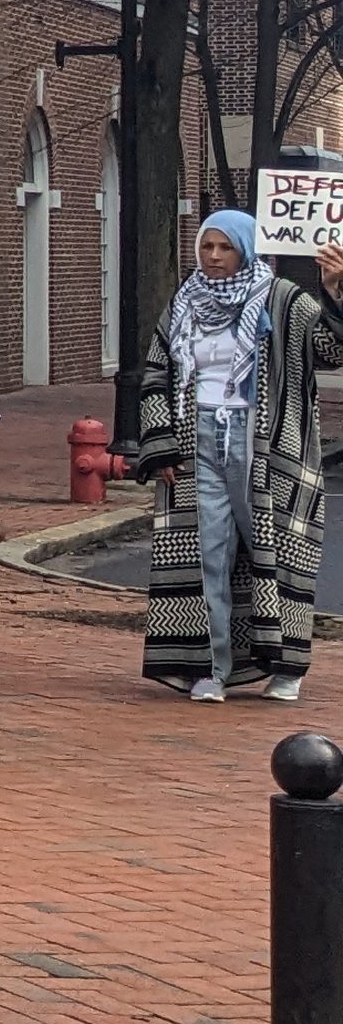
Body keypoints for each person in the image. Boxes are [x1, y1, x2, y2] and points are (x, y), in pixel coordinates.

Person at [131, 211, 343, 700]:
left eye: (225, 248)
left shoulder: (283, 299)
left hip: (266, 445)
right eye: (207, 247)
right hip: (196, 438)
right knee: (208, 552)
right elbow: (156, 372)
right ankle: (212, 668)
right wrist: (160, 443)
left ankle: (286, 666)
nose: (214, 257)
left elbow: (331, 351)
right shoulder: (185, 303)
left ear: (246, 249)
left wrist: (334, 290)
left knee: (275, 553)